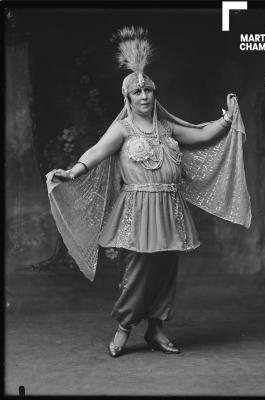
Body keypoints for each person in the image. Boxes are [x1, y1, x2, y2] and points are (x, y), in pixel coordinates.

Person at [46, 27, 251, 358]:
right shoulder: (122, 129)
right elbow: (96, 153)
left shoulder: (167, 128)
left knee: (166, 269)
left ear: (155, 95)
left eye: (148, 90)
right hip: (137, 210)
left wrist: (227, 120)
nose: (143, 96)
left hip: (169, 208)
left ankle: (157, 328)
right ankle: (125, 326)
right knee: (138, 271)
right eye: (137, 92)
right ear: (127, 98)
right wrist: (73, 171)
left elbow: (199, 136)